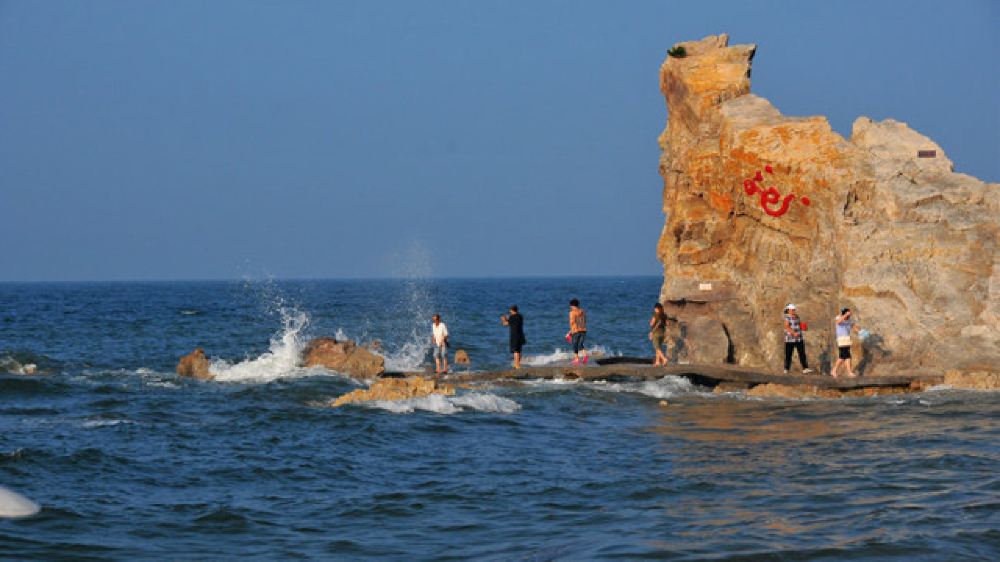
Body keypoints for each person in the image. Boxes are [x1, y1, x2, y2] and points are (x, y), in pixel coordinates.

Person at [783, 304, 813, 374]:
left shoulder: (797, 316)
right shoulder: (787, 317)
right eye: (792, 310)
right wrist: (793, 333)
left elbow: (798, 324)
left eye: (794, 310)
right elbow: (787, 327)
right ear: (789, 310)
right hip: (790, 339)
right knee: (788, 354)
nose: (794, 311)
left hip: (799, 338)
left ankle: (805, 368)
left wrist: (803, 327)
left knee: (802, 353)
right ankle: (786, 369)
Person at [831, 307, 860, 378]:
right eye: (848, 314)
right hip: (841, 339)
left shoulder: (849, 320)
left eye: (849, 314)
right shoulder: (838, 317)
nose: (849, 315)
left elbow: (854, 327)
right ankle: (848, 372)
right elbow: (838, 322)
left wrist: (860, 332)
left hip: (847, 339)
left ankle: (834, 370)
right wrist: (845, 315)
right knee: (847, 356)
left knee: (843, 357)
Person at [500, 305, 527, 369]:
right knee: (519, 351)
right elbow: (512, 322)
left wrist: (503, 320)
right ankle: (516, 364)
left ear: (511, 310)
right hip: (521, 335)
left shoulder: (512, 317)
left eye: (510, 310)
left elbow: (506, 324)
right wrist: (507, 319)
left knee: (516, 351)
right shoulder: (520, 316)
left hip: (514, 336)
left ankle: (517, 365)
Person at [567, 298, 588, 365]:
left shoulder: (572, 313)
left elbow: (572, 322)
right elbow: (584, 321)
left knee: (574, 345)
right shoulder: (583, 311)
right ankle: (585, 355)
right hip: (583, 330)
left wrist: (570, 333)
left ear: (572, 306)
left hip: (575, 331)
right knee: (580, 344)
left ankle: (577, 359)